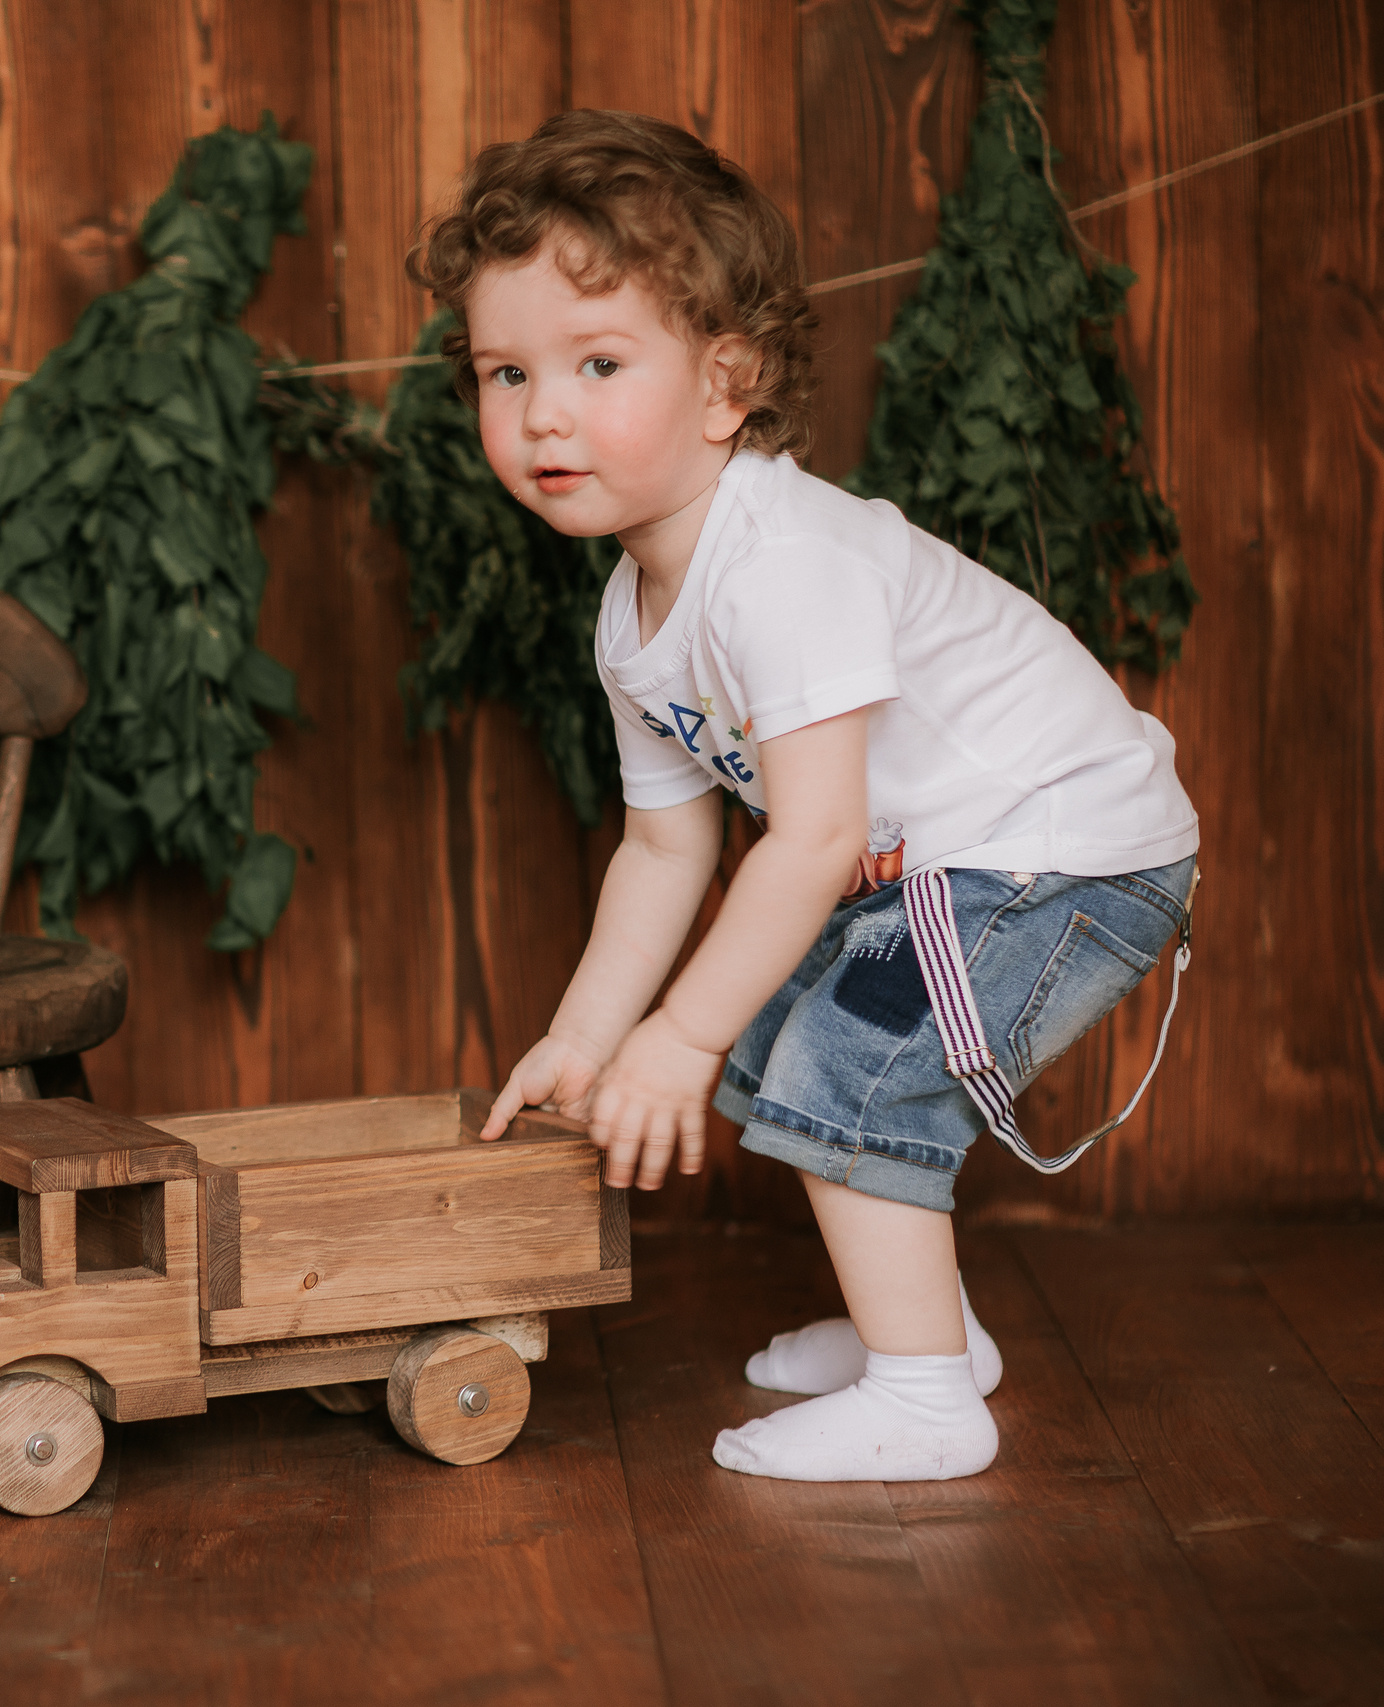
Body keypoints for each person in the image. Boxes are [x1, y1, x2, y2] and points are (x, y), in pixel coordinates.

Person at [420, 110, 1198, 1482]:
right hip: (969, 861)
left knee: (852, 1065)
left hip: (1069, 849)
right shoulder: (635, 612)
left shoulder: (781, 562)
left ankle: (924, 1403)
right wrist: (594, 1040)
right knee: (787, 1031)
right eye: (505, 371)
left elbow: (822, 834)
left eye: (598, 363)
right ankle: (931, 1335)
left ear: (726, 386)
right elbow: (667, 848)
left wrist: (677, 1039)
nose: (541, 412)